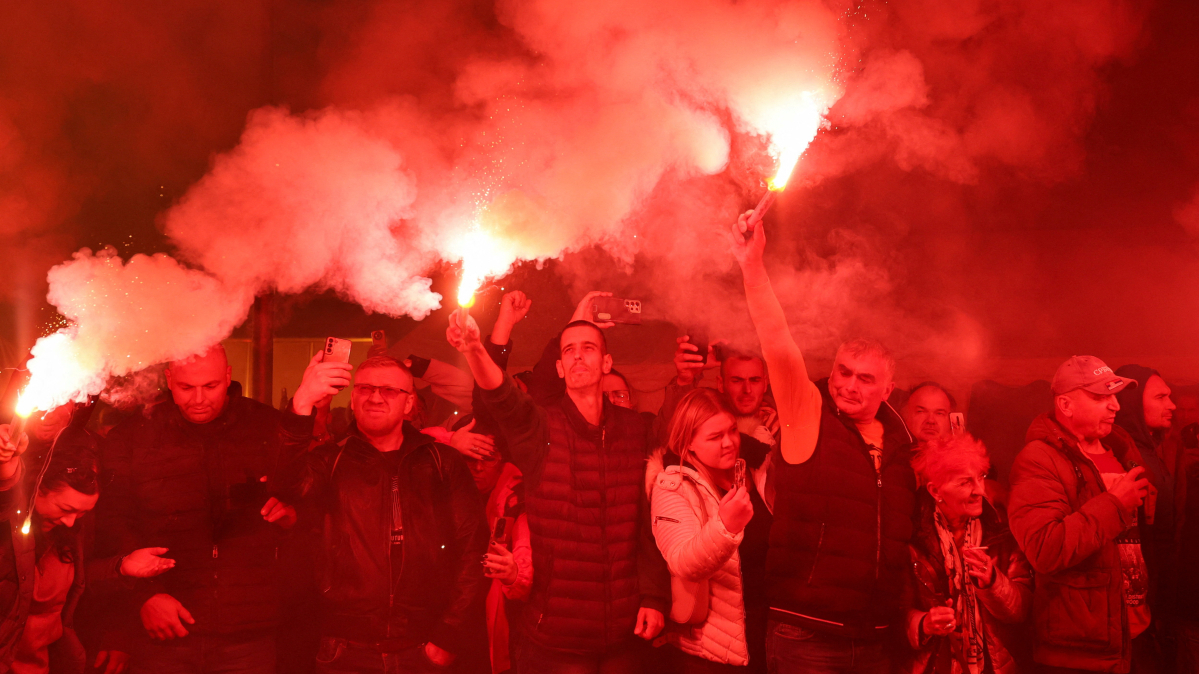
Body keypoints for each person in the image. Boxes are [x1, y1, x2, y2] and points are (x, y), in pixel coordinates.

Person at [728, 212, 917, 674]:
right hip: (806, 635)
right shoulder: (808, 415)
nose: (848, 385)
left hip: (875, 637)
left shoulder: (901, 449)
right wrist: (753, 268)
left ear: (888, 390)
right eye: (842, 372)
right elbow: (777, 342)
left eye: (865, 378)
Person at [447, 307, 670, 674]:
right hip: (554, 637)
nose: (578, 355)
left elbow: (646, 524)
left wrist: (654, 596)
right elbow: (502, 397)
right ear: (560, 368)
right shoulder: (541, 427)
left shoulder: (635, 430)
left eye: (588, 348)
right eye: (568, 350)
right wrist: (474, 349)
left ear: (606, 362)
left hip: (624, 632)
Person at [96, 345, 301, 674]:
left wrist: (291, 515)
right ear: (169, 380)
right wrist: (143, 599)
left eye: (211, 386)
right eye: (186, 388)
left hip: (249, 631)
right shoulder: (132, 437)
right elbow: (112, 525)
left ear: (229, 377)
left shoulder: (266, 427)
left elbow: (306, 506)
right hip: (164, 629)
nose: (199, 399)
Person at [279, 353, 489, 674]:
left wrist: (449, 636)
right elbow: (285, 485)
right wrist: (303, 401)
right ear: (352, 399)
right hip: (343, 648)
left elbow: (473, 550)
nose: (375, 397)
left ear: (409, 404)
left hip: (424, 645)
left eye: (389, 390)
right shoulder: (330, 460)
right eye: (365, 389)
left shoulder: (441, 462)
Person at [1008, 355, 1155, 673]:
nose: (1115, 405)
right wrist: (1115, 503)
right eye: (1101, 397)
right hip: (1079, 649)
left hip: (1134, 631)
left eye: (1115, 396)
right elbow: (1045, 548)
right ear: (1065, 404)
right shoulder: (1038, 459)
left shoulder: (1121, 449)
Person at [0, 421, 176, 674]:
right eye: (66, 509)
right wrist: (6, 463)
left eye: (82, 513)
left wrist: (121, 566)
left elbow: (78, 587)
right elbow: (7, 490)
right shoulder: (8, 527)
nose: (71, 521)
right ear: (37, 490)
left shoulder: (68, 535)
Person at [649, 388, 772, 674]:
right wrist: (726, 527)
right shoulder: (673, 486)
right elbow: (683, 563)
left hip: (767, 637)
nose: (729, 442)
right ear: (689, 443)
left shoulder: (756, 472)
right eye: (715, 437)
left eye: (732, 430)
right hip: (711, 652)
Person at [902, 434, 1032, 674]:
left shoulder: (1000, 534)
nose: (980, 491)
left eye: (980, 477)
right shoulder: (911, 539)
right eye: (965, 483)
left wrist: (993, 582)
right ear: (935, 490)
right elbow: (893, 613)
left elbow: (1020, 611)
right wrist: (924, 623)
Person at [462, 423, 532, 674]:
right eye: (471, 457)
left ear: (502, 460)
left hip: (497, 616)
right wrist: (452, 439)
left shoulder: (517, 498)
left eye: (488, 459)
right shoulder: (445, 487)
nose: (478, 467)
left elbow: (524, 564)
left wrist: (515, 575)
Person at [657, 341, 778, 450]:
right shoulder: (705, 418)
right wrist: (685, 381)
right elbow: (668, 442)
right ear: (720, 384)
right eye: (737, 381)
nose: (747, 390)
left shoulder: (781, 422)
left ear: (765, 384)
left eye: (755, 380)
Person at [903, 383, 955, 448]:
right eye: (921, 411)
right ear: (906, 417)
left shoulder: (965, 456)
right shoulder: (890, 455)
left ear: (950, 422)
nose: (931, 420)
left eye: (939, 413)